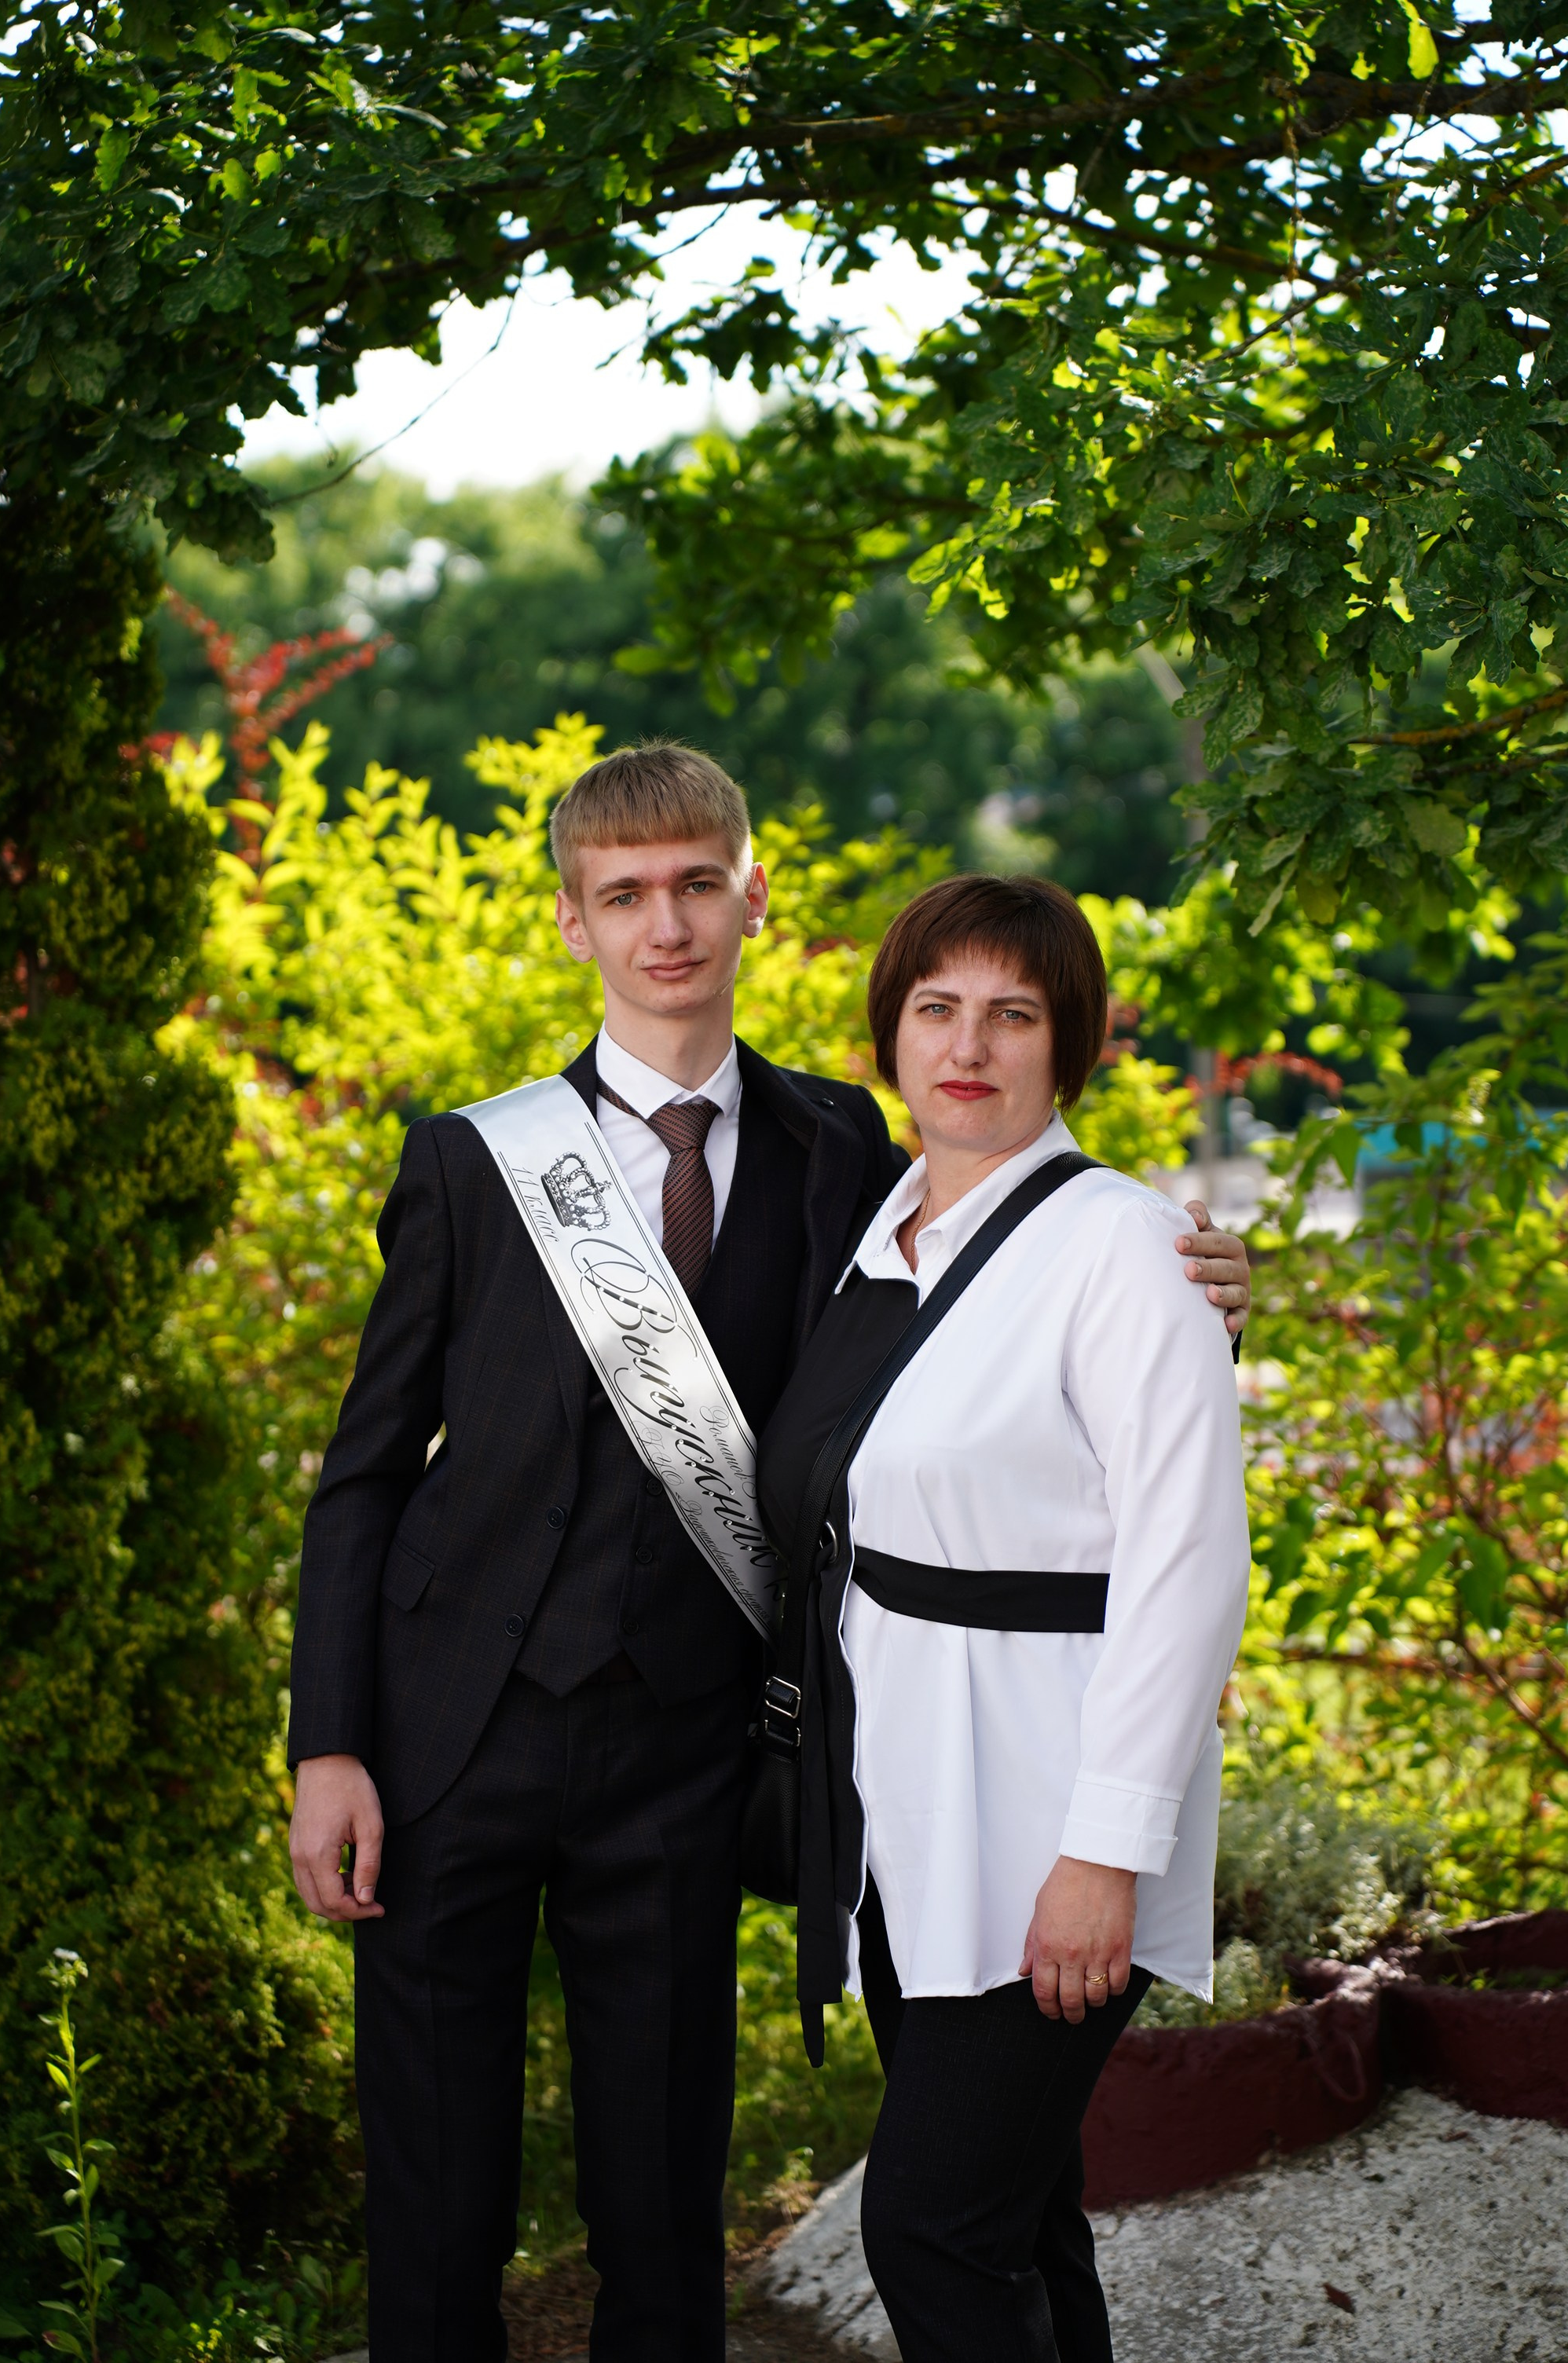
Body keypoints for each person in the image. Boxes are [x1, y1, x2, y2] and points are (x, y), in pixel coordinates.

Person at [284, 748, 1254, 2363]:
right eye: (622, 896)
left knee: (665, 2197)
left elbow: (1012, 1272)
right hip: (447, 1732)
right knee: (435, 2190)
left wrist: (1202, 1276)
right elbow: (365, 1473)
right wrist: (329, 1740)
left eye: (693, 886)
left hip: (685, 1750)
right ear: (574, 922)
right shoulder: (474, 1160)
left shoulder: (847, 1151)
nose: (663, 926)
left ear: (752, 899)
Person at [758, 873, 1253, 2363]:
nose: (967, 1046)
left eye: (1013, 1015)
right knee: (1022, 2222)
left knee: (932, 2230)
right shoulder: (879, 1236)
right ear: (892, 1033)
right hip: (909, 1819)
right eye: (936, 1008)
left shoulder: (1123, 1246)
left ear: (1069, 1044)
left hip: (1049, 1821)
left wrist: (1104, 1855)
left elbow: (1189, 1562)